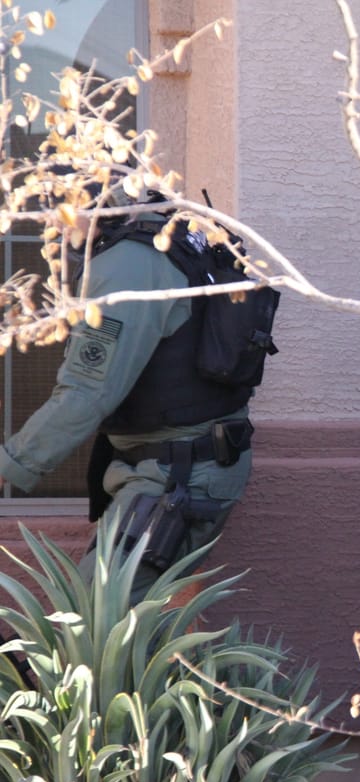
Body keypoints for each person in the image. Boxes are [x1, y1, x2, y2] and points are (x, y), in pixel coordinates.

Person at [0, 184, 256, 605]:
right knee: (116, 619)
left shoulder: (130, 263)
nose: (51, 227)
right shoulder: (170, 235)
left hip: (177, 474)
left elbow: (87, 392)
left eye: (53, 210)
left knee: (93, 619)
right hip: (175, 464)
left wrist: (10, 465)